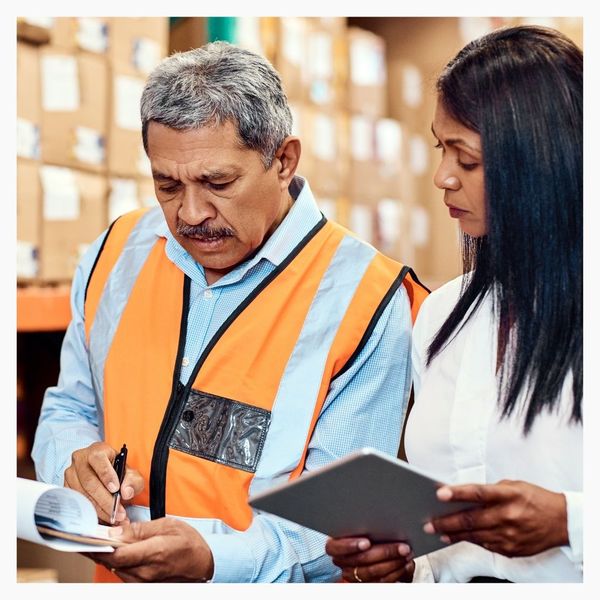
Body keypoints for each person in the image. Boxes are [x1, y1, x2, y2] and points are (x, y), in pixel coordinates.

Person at [31, 41, 429, 583]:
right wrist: (74, 464)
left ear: (284, 160)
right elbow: (69, 408)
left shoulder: (367, 298)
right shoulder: (116, 252)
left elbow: (340, 531)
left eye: (218, 183)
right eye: (167, 185)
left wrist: (213, 561)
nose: (190, 213)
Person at [325, 25, 583, 583]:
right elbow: (437, 549)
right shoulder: (442, 315)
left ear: (539, 161)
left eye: (465, 159)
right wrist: (393, 566)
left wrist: (572, 523)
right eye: (441, 149)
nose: (442, 178)